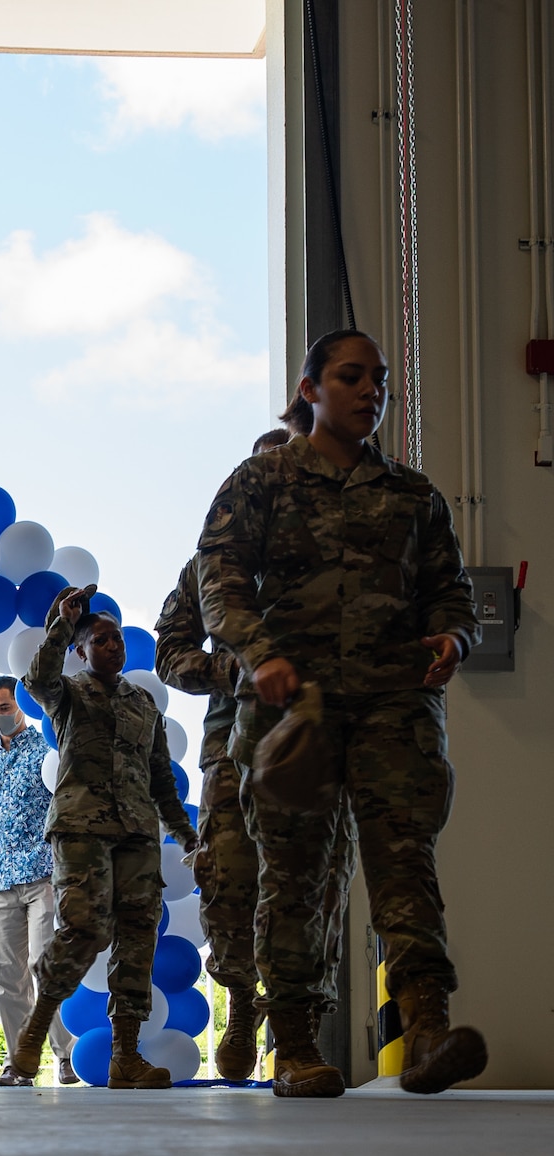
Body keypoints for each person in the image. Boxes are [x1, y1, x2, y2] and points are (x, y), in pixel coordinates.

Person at [197, 328, 485, 1097]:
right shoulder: (261, 482)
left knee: (406, 867)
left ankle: (426, 1025)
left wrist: (455, 635)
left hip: (396, 704)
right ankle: (294, 1044)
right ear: (309, 390)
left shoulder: (413, 495)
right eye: (352, 377)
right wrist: (261, 653)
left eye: (380, 380)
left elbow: (452, 594)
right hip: (298, 711)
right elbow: (218, 582)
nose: (371, 391)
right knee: (294, 878)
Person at [11, 588, 199, 1089]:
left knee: (138, 937)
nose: (113, 645)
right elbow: (36, 679)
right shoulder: (68, 693)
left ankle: (125, 1055)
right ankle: (34, 1030)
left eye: (117, 638)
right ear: (81, 650)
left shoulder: (143, 704)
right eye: (101, 639)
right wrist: (63, 621)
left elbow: (161, 778)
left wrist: (185, 834)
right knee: (85, 929)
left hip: (137, 834)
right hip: (82, 829)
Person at [152, 425, 292, 1080]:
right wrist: (218, 672)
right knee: (230, 875)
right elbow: (170, 647)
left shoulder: (335, 557)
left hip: (316, 739)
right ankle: (241, 995)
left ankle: (298, 1024)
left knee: (308, 880)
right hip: (231, 745)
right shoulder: (207, 563)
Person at [0, 676, 75, 1086]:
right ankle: (19, 1064)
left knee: (45, 966)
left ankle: (66, 1055)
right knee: (6, 977)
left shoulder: (49, 752)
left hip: (44, 875)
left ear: (21, 706)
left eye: (5, 708)